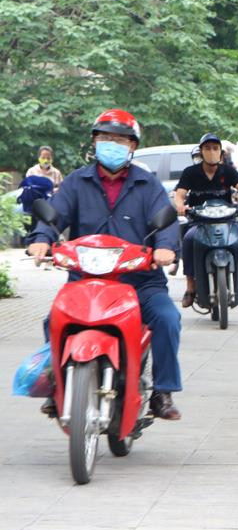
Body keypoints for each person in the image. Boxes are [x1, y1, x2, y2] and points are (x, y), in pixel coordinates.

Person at [26, 109, 182, 420]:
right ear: (94, 142)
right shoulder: (75, 182)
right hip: (86, 282)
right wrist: (41, 238)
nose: (111, 144)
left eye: (120, 139)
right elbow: (54, 214)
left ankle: (162, 392)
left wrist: (165, 248)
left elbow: (166, 223)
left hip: (140, 282)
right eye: (105, 137)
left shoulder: (148, 184)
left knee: (167, 319)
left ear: (132, 146)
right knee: (52, 320)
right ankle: (58, 384)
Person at [176, 133, 238, 306]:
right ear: (201, 151)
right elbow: (180, 194)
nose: (211, 151)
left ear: (221, 152)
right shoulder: (190, 172)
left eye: (215, 148)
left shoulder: (228, 171)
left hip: (228, 219)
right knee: (188, 240)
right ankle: (190, 287)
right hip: (199, 221)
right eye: (207, 148)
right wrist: (181, 206)